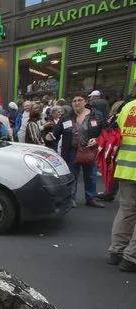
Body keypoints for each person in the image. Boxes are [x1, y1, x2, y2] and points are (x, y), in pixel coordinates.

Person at [53, 92, 105, 208]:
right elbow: (56, 133)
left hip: (90, 151)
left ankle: (91, 198)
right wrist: (50, 135)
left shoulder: (96, 115)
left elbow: (105, 132)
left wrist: (97, 140)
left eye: (79, 100)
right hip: (72, 151)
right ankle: (71, 198)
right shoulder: (66, 117)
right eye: (74, 101)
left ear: (85, 102)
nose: (76, 103)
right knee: (72, 176)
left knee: (91, 176)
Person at [108, 99, 136, 272]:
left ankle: (116, 252)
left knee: (126, 211)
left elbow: (114, 130)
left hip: (125, 167)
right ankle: (131, 258)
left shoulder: (128, 107)